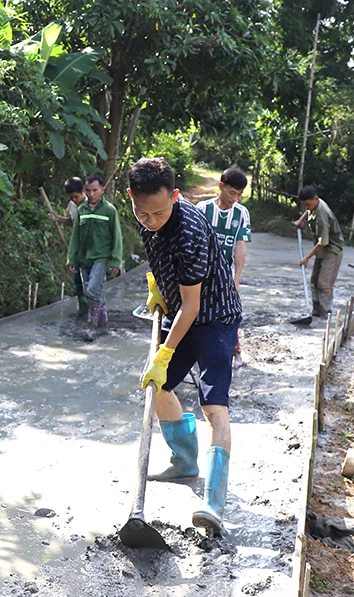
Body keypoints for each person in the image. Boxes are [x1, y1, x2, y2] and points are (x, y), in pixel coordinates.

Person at [128, 157, 242, 534]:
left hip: (215, 317)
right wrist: (158, 288)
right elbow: (161, 261)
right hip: (183, 311)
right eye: (142, 212)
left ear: (176, 197)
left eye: (159, 212)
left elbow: (193, 307)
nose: (151, 220)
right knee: (156, 387)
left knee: (214, 407)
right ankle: (185, 461)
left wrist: (164, 353)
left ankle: (213, 500)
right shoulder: (145, 216)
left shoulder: (189, 230)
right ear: (131, 198)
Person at [196, 167, 251, 368]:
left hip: (225, 275)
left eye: (239, 194)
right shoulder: (202, 209)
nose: (235, 198)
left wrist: (236, 279)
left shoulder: (241, 213)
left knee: (230, 315)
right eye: (231, 192)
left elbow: (240, 246)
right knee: (196, 313)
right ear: (221, 187)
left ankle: (234, 351)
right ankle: (194, 354)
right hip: (200, 273)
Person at [66, 174, 123, 332]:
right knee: (88, 291)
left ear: (102, 190)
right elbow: (76, 236)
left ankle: (92, 325)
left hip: (102, 257)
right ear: (84, 190)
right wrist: (71, 257)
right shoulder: (81, 209)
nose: (91, 194)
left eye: (95, 190)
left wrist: (115, 260)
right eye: (88, 190)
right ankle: (103, 322)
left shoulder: (109, 210)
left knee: (92, 290)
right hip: (84, 258)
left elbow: (117, 237)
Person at [295, 185, 345, 319]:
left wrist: (307, 258)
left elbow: (323, 242)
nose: (307, 208)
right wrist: (301, 220)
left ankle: (326, 313)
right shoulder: (314, 204)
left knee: (324, 283)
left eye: (308, 205)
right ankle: (316, 311)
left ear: (316, 199)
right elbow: (309, 211)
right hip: (322, 250)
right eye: (304, 206)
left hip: (332, 250)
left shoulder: (322, 215)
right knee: (314, 280)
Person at [50, 177, 88, 318]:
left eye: (76, 197)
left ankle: (95, 313)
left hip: (92, 250)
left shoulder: (93, 205)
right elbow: (71, 222)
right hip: (78, 249)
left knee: (92, 284)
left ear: (83, 191)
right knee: (79, 281)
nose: (74, 200)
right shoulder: (72, 205)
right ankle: (83, 311)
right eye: (71, 198)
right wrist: (58, 218)